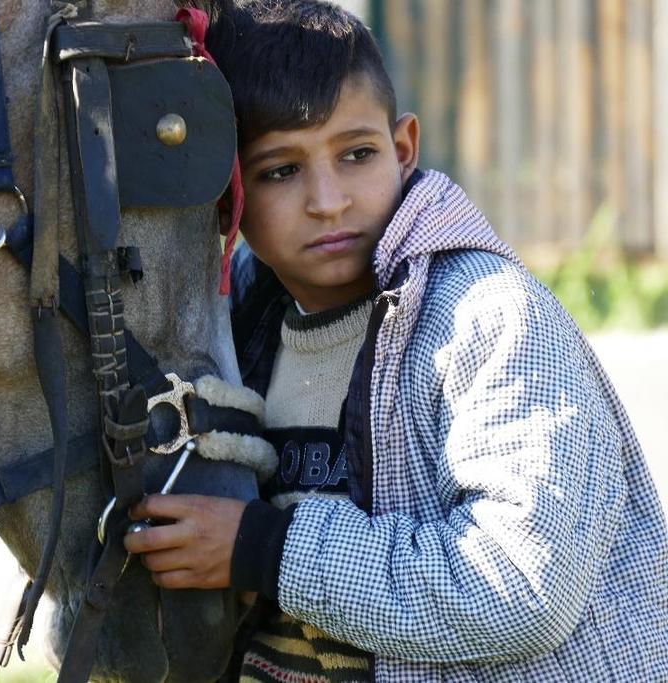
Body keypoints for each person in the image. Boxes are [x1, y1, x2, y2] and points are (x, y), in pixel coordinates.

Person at [123, 1, 668, 681]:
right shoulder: (235, 327)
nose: (328, 199)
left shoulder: (489, 320)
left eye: (356, 154)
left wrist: (266, 550)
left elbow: (526, 588)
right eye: (280, 171)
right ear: (228, 191)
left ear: (403, 147)